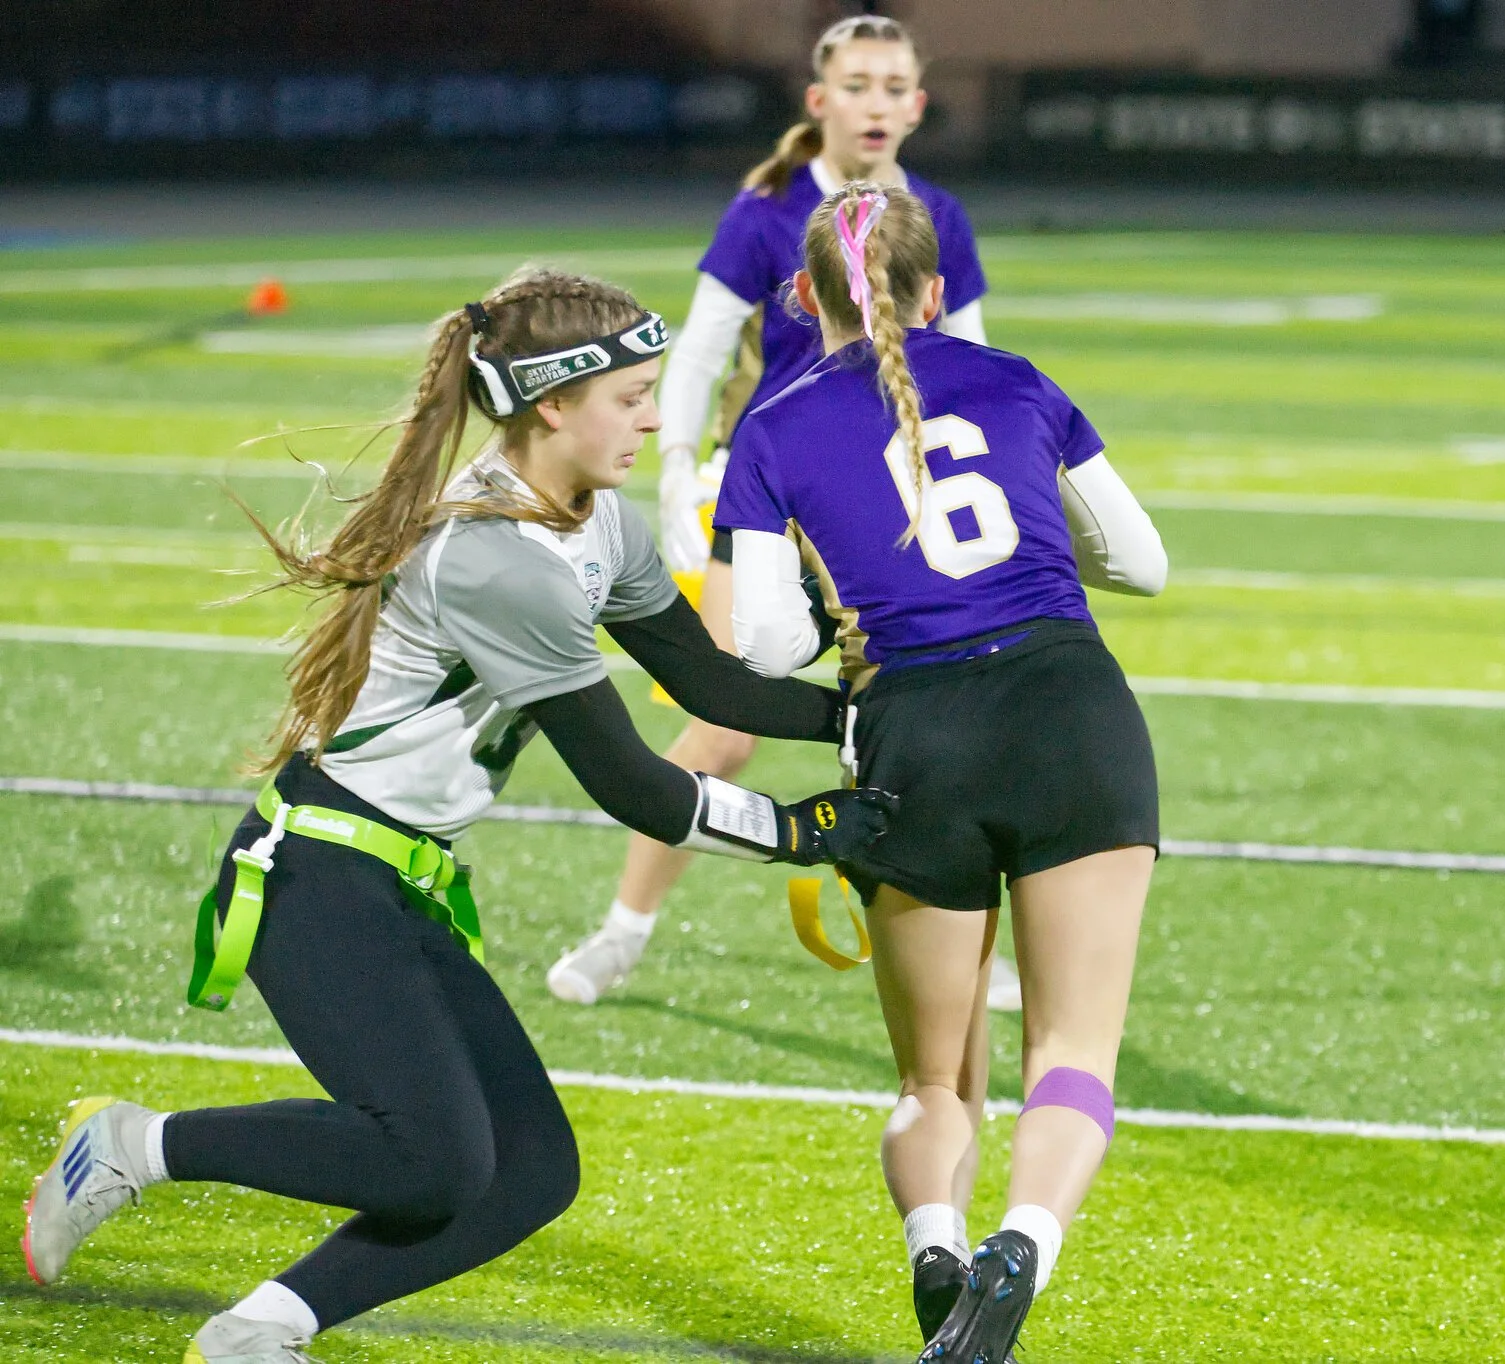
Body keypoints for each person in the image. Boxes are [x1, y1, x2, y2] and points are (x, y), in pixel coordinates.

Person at [21, 268, 894, 1364]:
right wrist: (805, 831)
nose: (652, 417)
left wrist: (869, 711)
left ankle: (259, 1328)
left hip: (399, 876)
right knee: (431, 1159)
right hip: (321, 872)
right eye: (630, 395)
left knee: (530, 1167)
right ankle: (137, 1144)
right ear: (550, 405)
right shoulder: (495, 559)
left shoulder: (598, 527)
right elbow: (628, 778)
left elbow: (713, 684)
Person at [718, 182, 1167, 1361]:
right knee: (1072, 1051)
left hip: (915, 731)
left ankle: (936, 1243)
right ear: (933, 289)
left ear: (801, 294)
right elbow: (1145, 561)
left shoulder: (768, 426)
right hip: (1072, 709)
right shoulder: (1019, 381)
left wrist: (841, 608)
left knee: (933, 1076)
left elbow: (758, 644)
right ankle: (1023, 1240)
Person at [546, 13, 1015, 1010]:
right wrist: (677, 469)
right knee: (721, 724)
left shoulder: (937, 217)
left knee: (933, 721)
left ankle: (967, 942)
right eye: (857, 85)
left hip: (889, 500)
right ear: (819, 101)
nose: (877, 104)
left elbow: (972, 362)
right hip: (766, 494)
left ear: (918, 104)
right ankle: (623, 928)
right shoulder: (765, 211)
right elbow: (705, 347)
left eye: (894, 86)